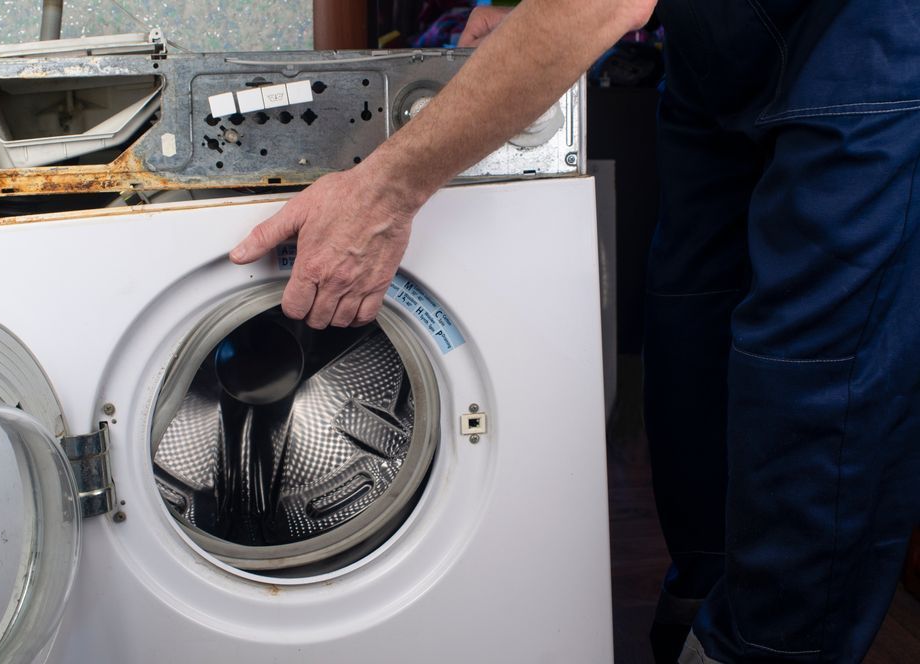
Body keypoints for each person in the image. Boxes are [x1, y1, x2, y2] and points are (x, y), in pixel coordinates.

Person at [230, 1, 920, 661]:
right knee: (689, 362)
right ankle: (698, 616)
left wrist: (383, 192)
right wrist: (543, 29)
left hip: (861, 52)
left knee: (812, 388)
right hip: (716, 65)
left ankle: (766, 652)